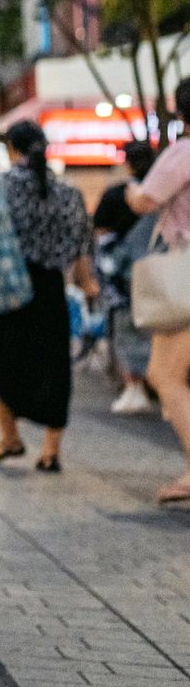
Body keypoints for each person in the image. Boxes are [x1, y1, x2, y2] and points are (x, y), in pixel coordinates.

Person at [0, 120, 98, 474]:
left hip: (6, 287)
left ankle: (10, 437)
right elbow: (81, 245)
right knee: (54, 366)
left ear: (10, 149)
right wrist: (86, 283)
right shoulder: (68, 193)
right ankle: (51, 450)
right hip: (50, 289)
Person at [128, 80, 190, 503]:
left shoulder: (182, 154)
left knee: (164, 375)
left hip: (185, 272)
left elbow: (146, 201)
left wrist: (130, 189)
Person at [94, 140, 157, 415]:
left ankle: (134, 387)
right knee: (157, 329)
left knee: (124, 328)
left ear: (126, 162)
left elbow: (99, 230)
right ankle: (155, 386)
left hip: (121, 278)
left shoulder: (119, 193)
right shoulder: (160, 192)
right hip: (160, 275)